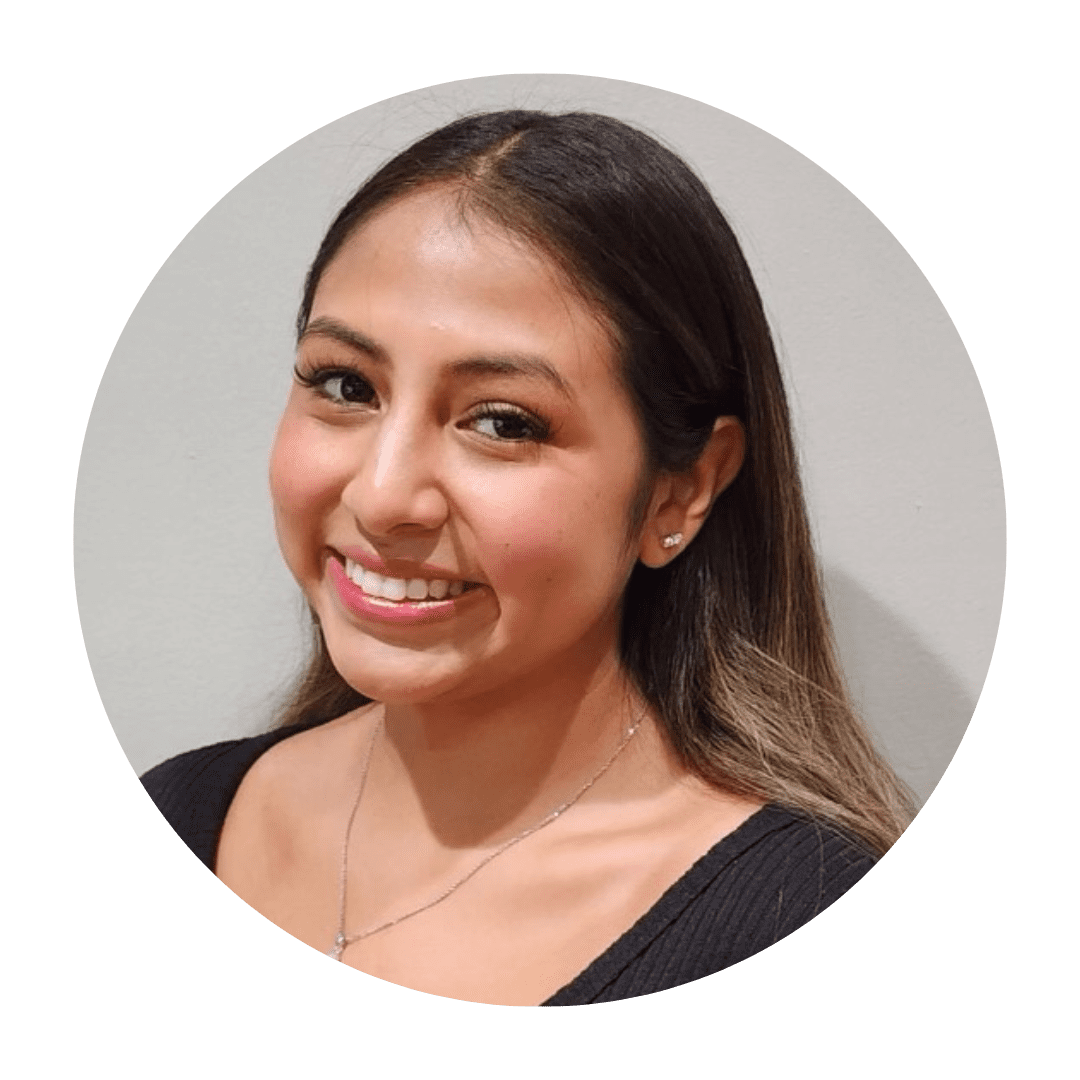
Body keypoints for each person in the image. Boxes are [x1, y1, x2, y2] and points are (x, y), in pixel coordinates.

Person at [142, 110, 916, 1006]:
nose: (383, 497)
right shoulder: (178, 813)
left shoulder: (801, 920)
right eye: (345, 385)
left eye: (503, 422)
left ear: (682, 491)